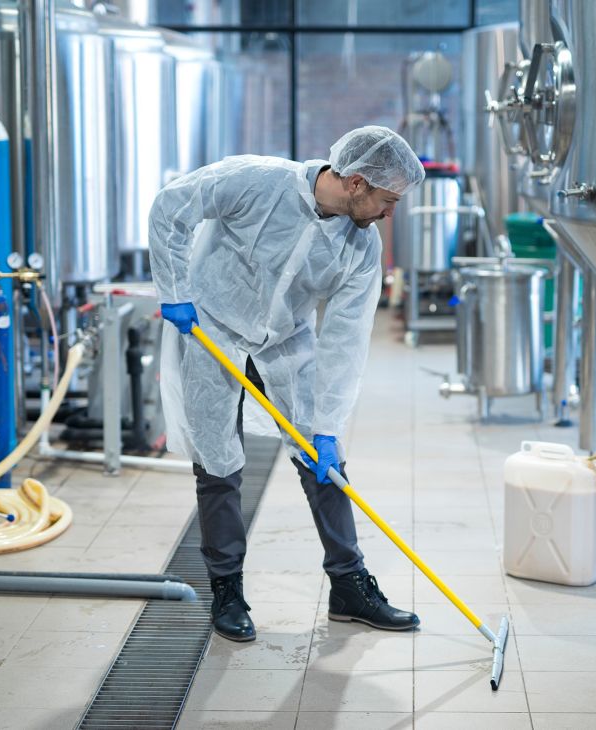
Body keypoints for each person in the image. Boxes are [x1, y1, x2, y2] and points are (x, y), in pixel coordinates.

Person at [149, 126, 425, 642]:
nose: (390, 214)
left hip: (284, 341)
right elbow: (172, 207)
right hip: (213, 327)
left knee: (325, 463)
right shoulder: (256, 181)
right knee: (217, 464)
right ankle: (226, 589)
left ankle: (349, 587)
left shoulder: (362, 247)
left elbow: (346, 340)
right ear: (358, 183)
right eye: (388, 201)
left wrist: (328, 425)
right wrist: (175, 290)